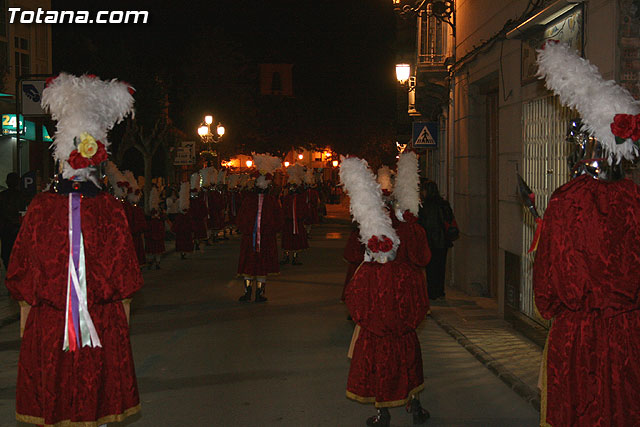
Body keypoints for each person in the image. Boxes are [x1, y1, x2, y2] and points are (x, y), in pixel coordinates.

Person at [5, 73, 142, 426]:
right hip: (100, 323)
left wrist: (26, 306)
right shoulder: (111, 209)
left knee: (56, 398)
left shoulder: (39, 208)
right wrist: (122, 309)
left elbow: (19, 269)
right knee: (95, 402)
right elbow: (126, 273)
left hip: (50, 326)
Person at [533, 40, 640, 426]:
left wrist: (555, 309)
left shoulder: (567, 201)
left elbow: (547, 281)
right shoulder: (635, 199)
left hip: (579, 337)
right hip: (629, 333)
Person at [341, 155, 430, 427]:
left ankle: (386, 414)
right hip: (399, 327)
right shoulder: (380, 266)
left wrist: (370, 323)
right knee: (406, 368)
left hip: (381, 329)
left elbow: (353, 302)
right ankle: (410, 408)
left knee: (385, 369)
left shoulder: (403, 226)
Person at [236, 154, 283, 302]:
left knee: (251, 264)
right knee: (259, 265)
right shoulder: (270, 201)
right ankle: (256, 293)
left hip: (256, 238)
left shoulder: (252, 200)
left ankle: (251, 292)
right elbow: (278, 221)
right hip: (259, 238)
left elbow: (241, 218)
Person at [418, 179, 456, 300]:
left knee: (431, 268)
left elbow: (423, 224)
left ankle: (432, 292)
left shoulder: (425, 206)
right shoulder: (444, 204)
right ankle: (440, 291)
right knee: (440, 266)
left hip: (430, 241)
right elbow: (450, 218)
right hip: (443, 240)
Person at [280, 164, 309, 265]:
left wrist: (302, 218)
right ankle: (286, 256)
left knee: (297, 241)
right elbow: (284, 208)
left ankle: (295, 257)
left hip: (298, 222)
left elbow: (304, 209)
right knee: (287, 240)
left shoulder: (300, 198)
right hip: (288, 222)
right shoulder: (287, 197)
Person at [0, 172, 28, 271]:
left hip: (5, 228)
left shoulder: (2, 196)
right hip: (17, 227)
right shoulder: (22, 196)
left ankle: (9, 270)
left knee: (6, 253)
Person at [172, 182, 194, 259]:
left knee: (184, 242)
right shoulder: (180, 216)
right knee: (182, 242)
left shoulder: (186, 216)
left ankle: (183, 252)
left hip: (185, 232)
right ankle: (182, 253)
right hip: (182, 232)